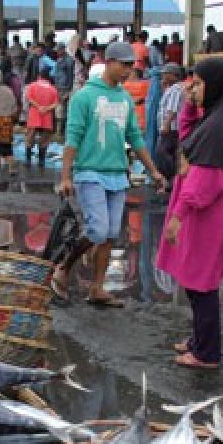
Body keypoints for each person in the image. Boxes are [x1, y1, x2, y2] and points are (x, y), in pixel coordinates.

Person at [51, 41, 167, 307]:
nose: (128, 70)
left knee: (112, 232)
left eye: (131, 65)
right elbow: (73, 138)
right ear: (109, 62)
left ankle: (97, 287)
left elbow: (135, 138)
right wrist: (66, 176)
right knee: (97, 230)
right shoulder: (83, 97)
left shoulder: (125, 98)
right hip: (89, 172)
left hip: (117, 174)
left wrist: (154, 171)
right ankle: (64, 268)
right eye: (124, 64)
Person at [157, 57, 223, 370]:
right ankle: (199, 340)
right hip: (210, 212)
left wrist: (177, 217)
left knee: (201, 284)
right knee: (196, 280)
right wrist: (190, 105)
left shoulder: (219, 128)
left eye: (199, 82)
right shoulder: (216, 119)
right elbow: (187, 137)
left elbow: (202, 182)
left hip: (209, 214)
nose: (192, 87)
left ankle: (207, 352)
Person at [153, 62, 185, 179]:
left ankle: (170, 178)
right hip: (169, 128)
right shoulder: (171, 89)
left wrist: (166, 124)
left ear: (173, 75)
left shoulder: (176, 89)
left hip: (171, 128)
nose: (163, 76)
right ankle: (171, 178)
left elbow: (173, 108)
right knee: (167, 153)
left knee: (162, 153)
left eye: (166, 74)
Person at [24, 67, 59, 167]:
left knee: (29, 138)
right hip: (47, 117)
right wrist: (46, 108)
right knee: (44, 140)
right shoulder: (53, 88)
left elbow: (28, 98)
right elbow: (56, 103)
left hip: (34, 115)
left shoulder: (32, 86)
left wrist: (38, 106)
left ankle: (28, 161)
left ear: (39, 76)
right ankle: (41, 161)